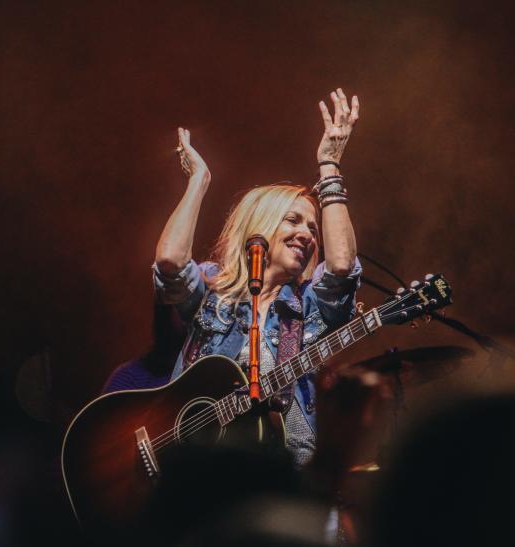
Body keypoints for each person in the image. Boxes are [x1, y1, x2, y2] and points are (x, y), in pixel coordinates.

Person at [153, 88, 361, 467]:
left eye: (313, 228)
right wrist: (199, 180)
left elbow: (342, 267)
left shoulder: (309, 307)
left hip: (285, 475)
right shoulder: (212, 290)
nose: (308, 234)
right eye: (294, 220)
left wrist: (329, 167)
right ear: (258, 226)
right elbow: (169, 260)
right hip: (197, 472)